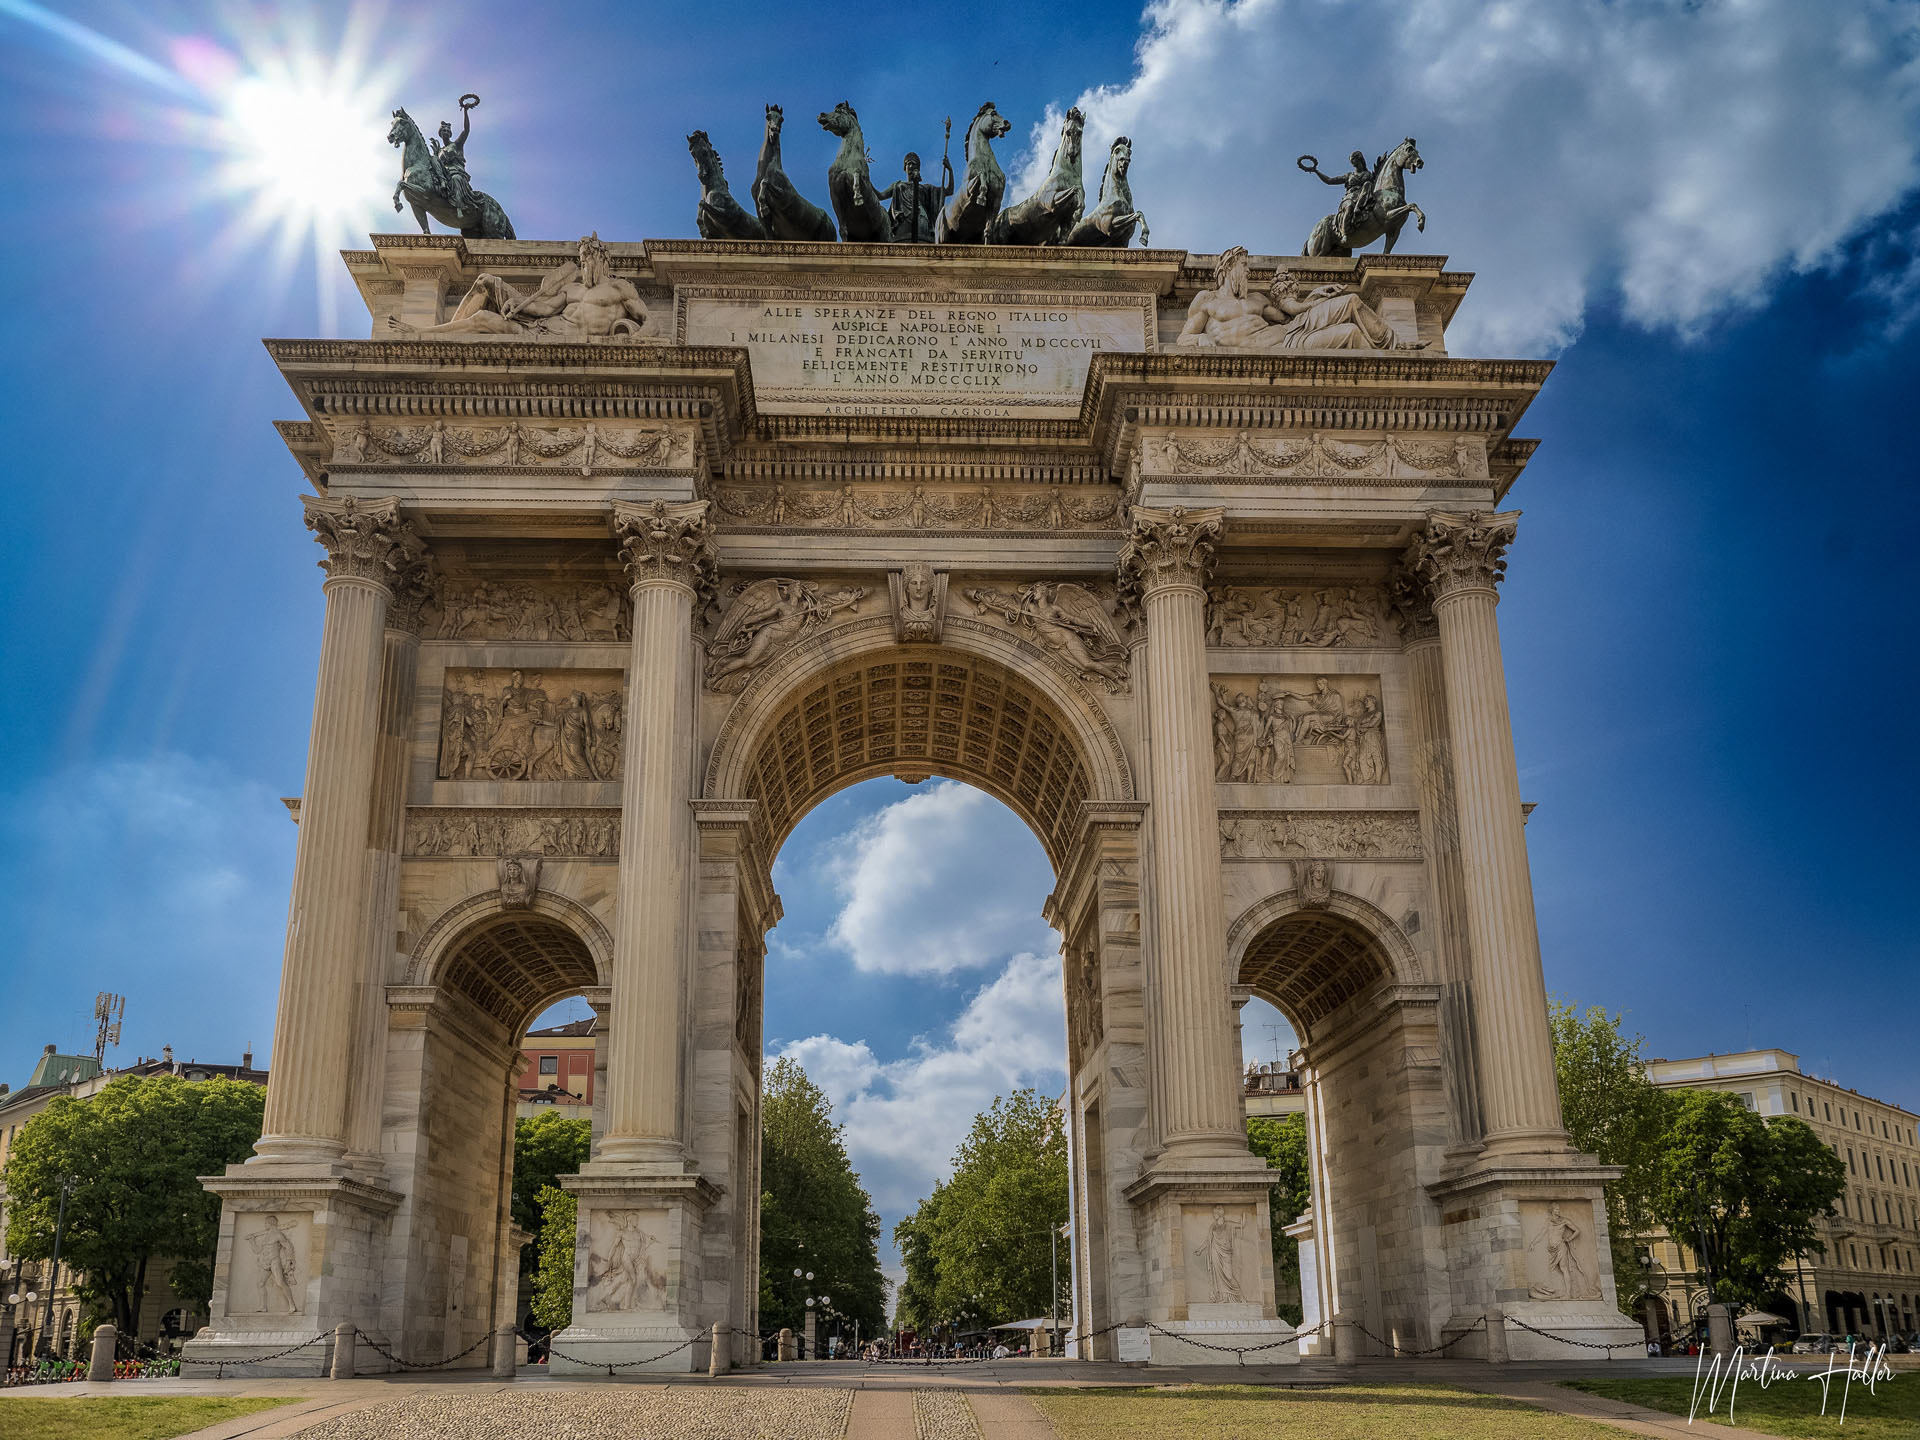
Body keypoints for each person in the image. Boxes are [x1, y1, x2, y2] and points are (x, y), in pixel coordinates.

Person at [880, 152, 951, 242]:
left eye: (913, 164)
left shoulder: (926, 188)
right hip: (902, 218)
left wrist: (950, 170)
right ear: (905, 168)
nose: (911, 166)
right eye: (908, 163)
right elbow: (880, 196)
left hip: (921, 217)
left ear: (918, 168)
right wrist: (865, 181)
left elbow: (949, 190)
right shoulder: (897, 185)